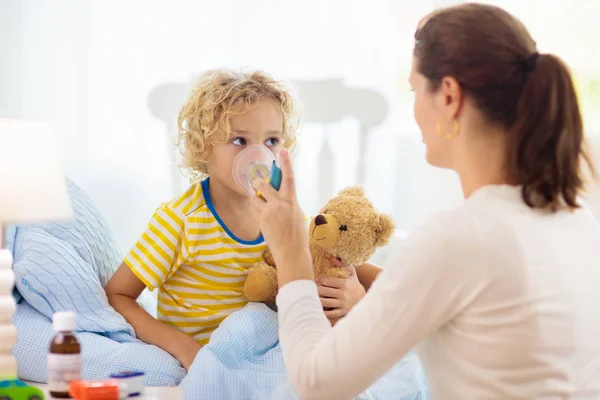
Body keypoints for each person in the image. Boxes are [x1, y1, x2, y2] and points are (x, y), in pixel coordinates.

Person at [251, 3, 600, 399]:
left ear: (448, 95)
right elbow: (442, 300)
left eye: (415, 89)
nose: (414, 107)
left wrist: (292, 252)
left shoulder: (462, 236)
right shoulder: (575, 218)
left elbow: (316, 384)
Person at [104, 69, 301, 371]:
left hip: (264, 357)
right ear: (203, 148)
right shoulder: (181, 220)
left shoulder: (279, 209)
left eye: (272, 140)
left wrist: (359, 286)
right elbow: (118, 294)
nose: (259, 155)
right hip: (205, 363)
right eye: (240, 141)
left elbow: (323, 254)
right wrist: (183, 347)